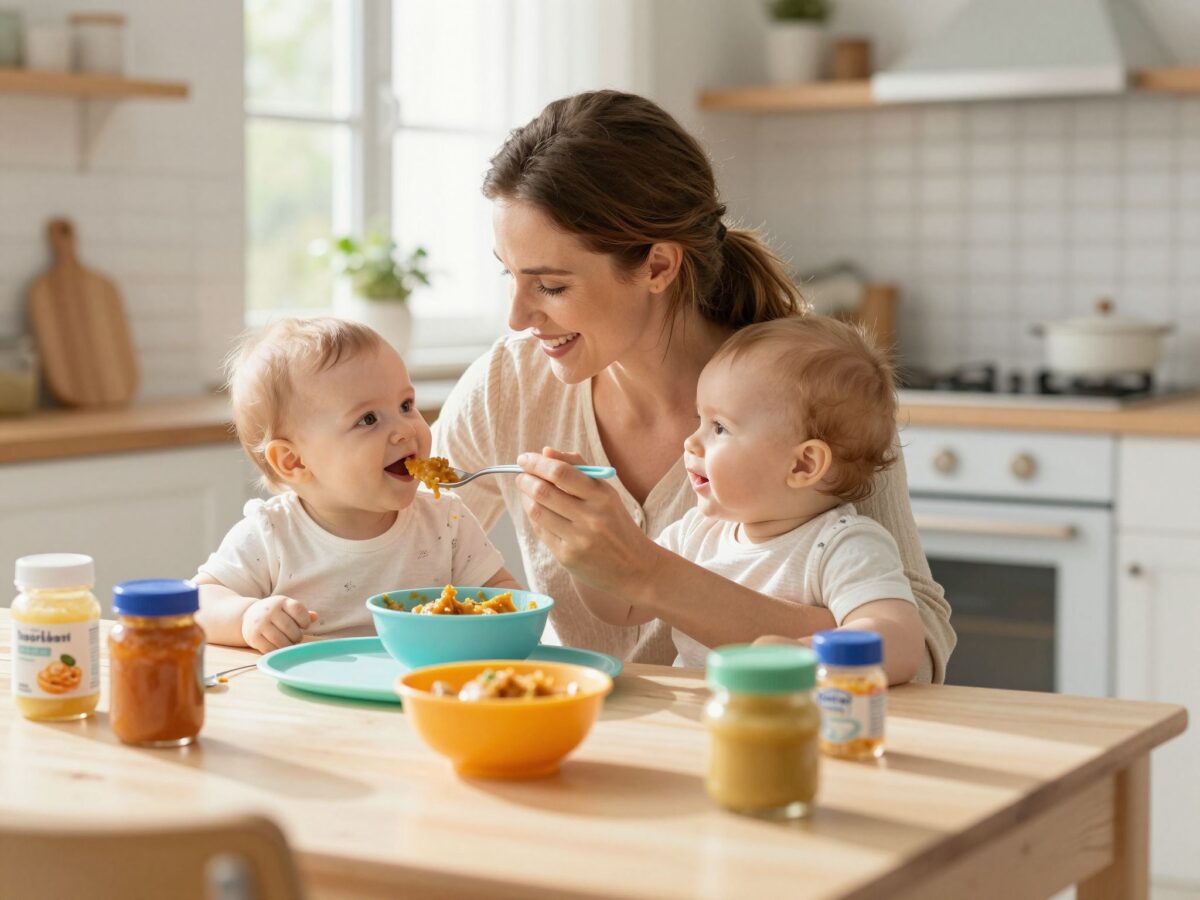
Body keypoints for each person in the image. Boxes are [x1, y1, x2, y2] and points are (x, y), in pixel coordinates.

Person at [433, 89, 954, 681]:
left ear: (658, 265)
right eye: (510, 275)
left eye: (550, 286)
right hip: (575, 740)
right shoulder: (511, 384)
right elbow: (406, 537)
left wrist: (651, 574)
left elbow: (920, 650)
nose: (518, 317)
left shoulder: (807, 395)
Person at [569, 316, 924, 684]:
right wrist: (577, 542)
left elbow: (899, 642)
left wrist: (806, 655)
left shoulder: (842, 545)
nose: (691, 442)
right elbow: (620, 605)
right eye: (699, 420)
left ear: (803, 464)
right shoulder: (698, 531)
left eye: (719, 427)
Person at [195, 317, 518, 653]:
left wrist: (506, 622)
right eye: (368, 419)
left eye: (406, 405)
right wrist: (247, 616)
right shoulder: (272, 534)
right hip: (311, 697)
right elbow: (197, 603)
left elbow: (502, 596)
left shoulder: (446, 522)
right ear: (294, 461)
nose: (406, 429)